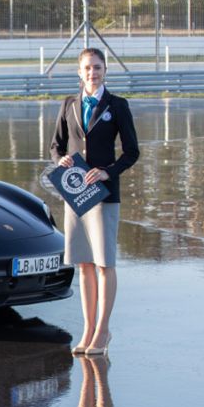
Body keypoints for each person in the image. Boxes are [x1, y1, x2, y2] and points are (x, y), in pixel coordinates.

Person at [50, 48, 139, 355]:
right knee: (84, 264)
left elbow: (131, 152)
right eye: (87, 68)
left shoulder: (117, 105)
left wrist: (107, 172)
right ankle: (87, 330)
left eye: (98, 67)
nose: (93, 72)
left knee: (104, 264)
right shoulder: (69, 104)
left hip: (104, 195)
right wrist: (59, 160)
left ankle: (103, 331)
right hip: (75, 195)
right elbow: (55, 146)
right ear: (80, 72)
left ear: (105, 70)